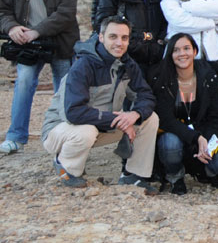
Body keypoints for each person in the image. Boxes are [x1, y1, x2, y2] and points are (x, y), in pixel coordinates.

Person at [41, 18, 158, 190]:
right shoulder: (83, 65)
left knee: (150, 118)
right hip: (61, 128)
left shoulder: (127, 65)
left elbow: (146, 96)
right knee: (86, 131)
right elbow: (73, 112)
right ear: (101, 37)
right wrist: (119, 121)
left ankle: (132, 175)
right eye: (113, 37)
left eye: (124, 38)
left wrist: (135, 114)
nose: (119, 43)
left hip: (101, 125)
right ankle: (66, 168)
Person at [0, 0, 80, 154]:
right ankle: (15, 137)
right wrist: (12, 27)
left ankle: (64, 137)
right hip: (28, 45)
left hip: (61, 42)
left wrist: (37, 31)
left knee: (64, 89)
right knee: (24, 82)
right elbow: (2, 11)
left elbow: (66, 12)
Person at [149, 33, 218, 194]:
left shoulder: (209, 77)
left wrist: (209, 143)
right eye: (176, 50)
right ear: (170, 54)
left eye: (186, 48)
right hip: (175, 134)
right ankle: (175, 177)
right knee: (170, 144)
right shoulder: (162, 79)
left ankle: (204, 171)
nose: (182, 53)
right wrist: (196, 138)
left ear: (195, 51)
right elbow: (166, 120)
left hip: (204, 134)